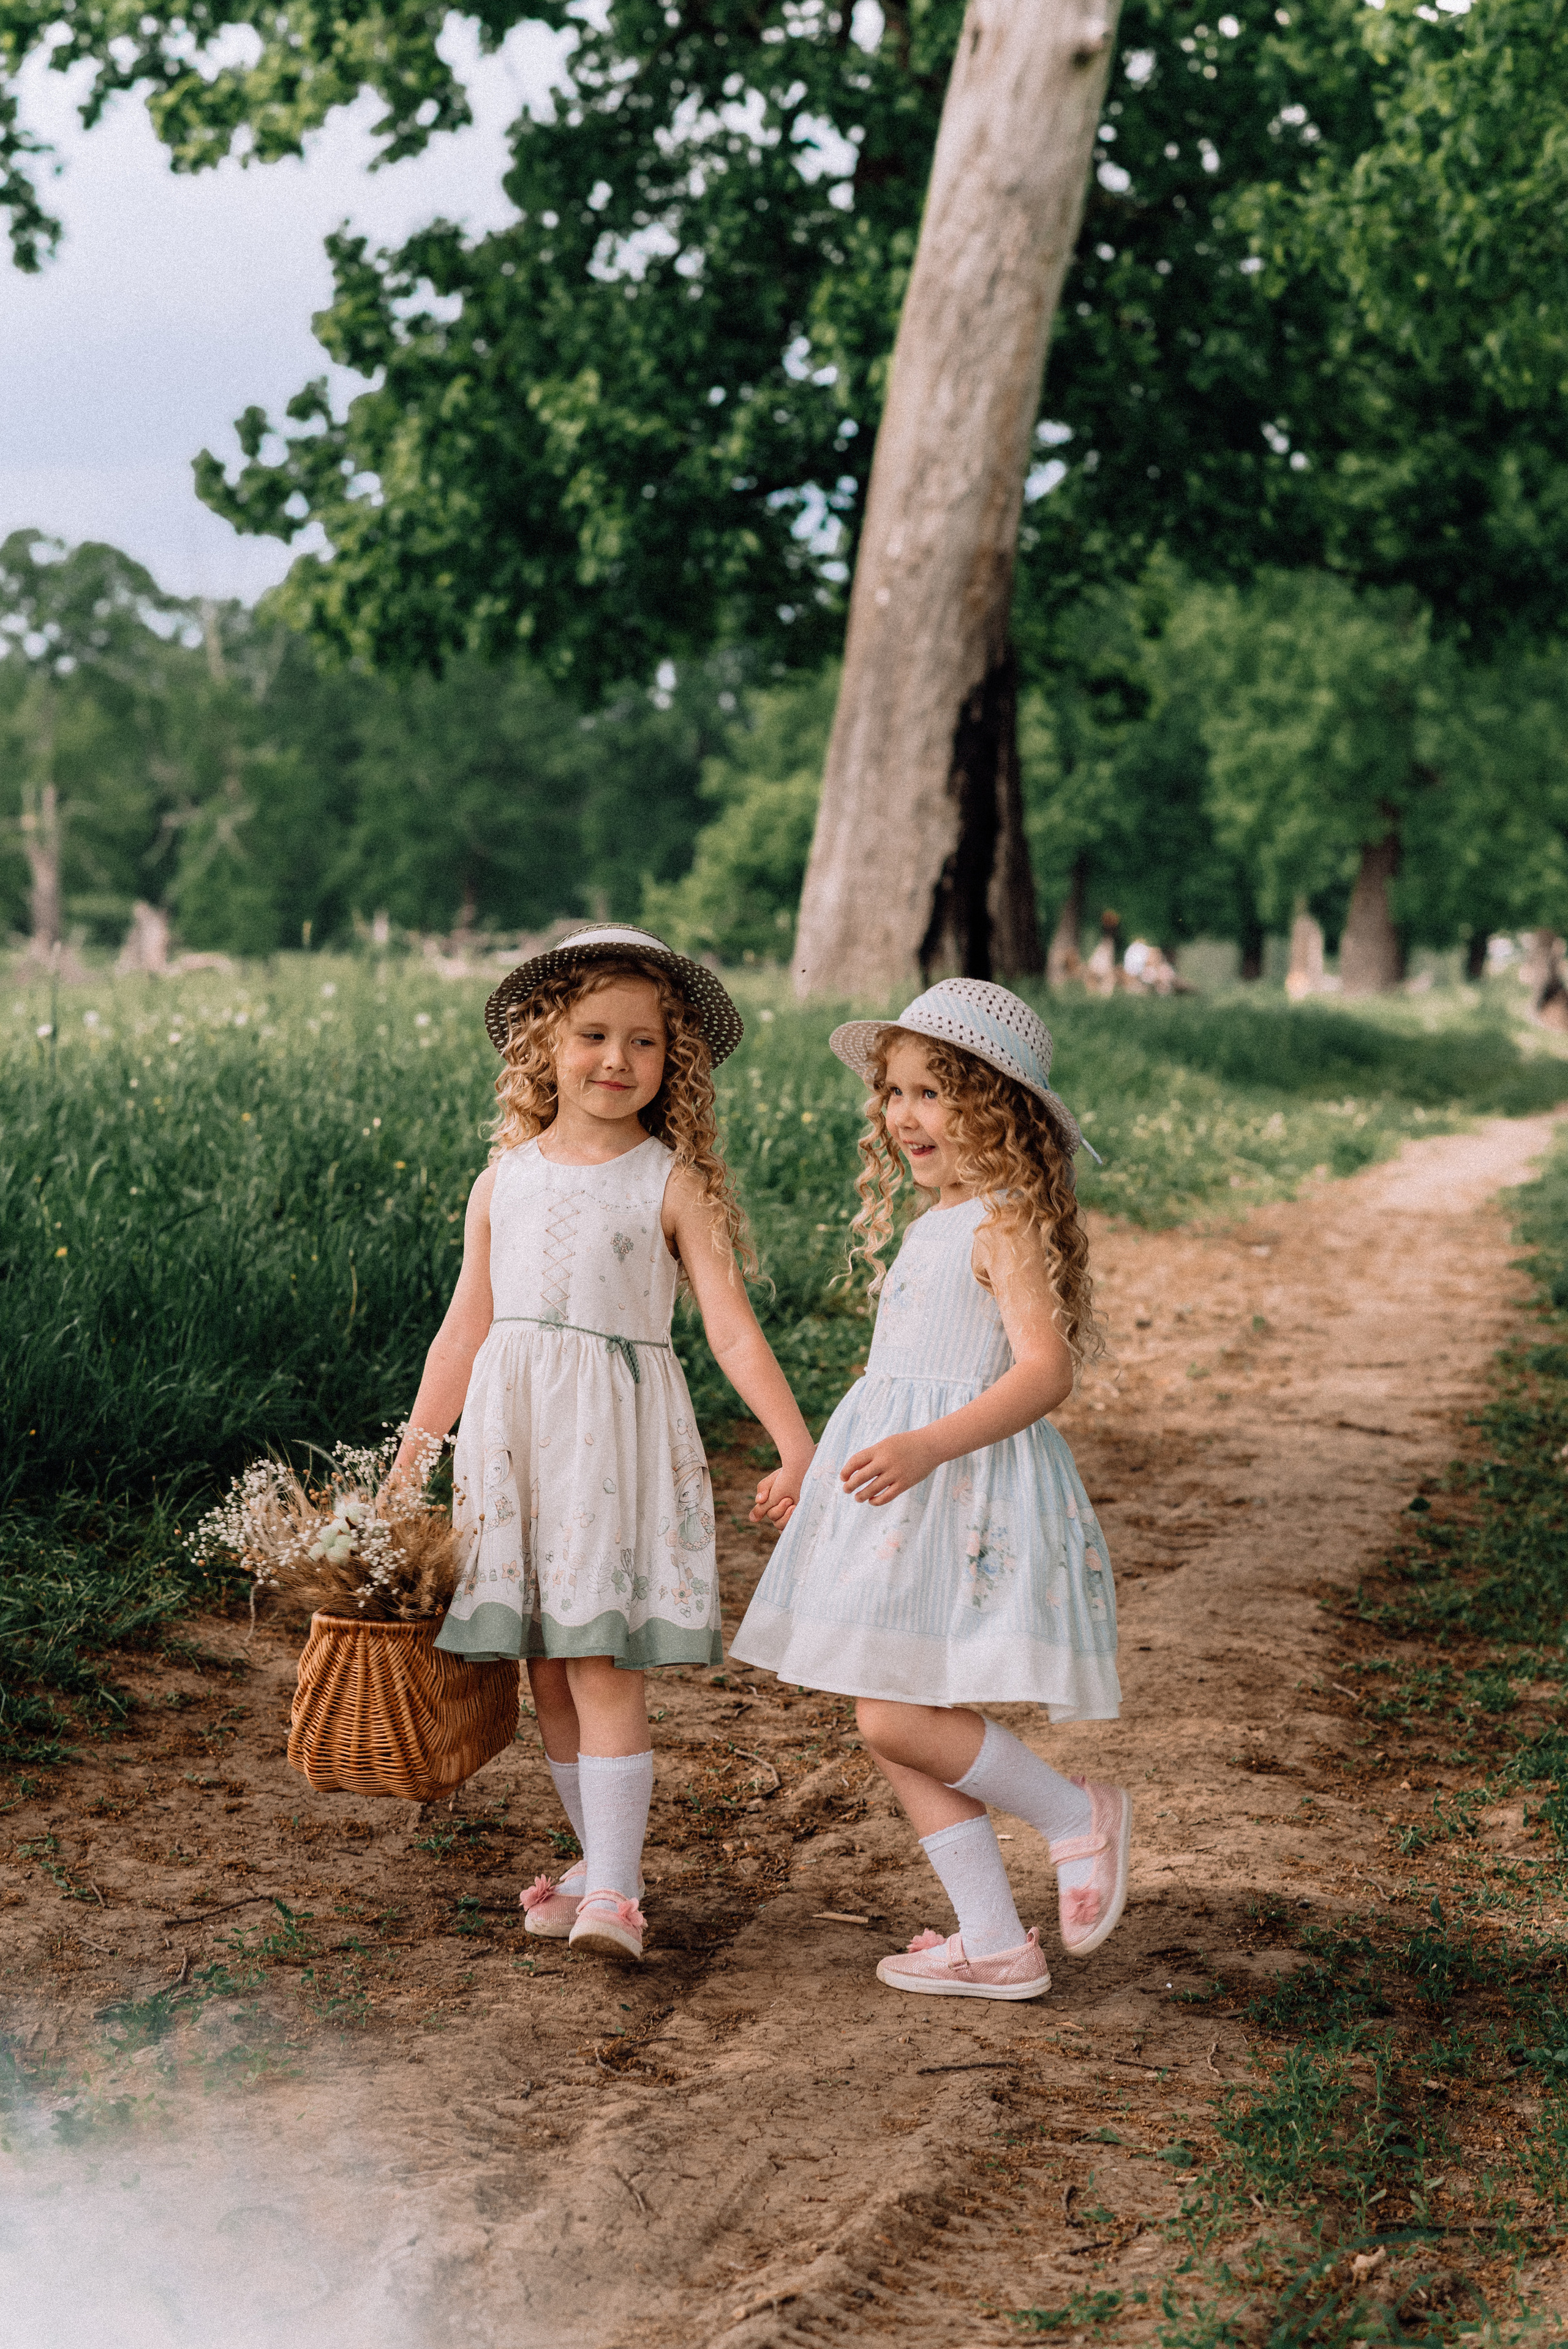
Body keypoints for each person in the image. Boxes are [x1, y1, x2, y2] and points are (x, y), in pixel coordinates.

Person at [390, 925, 814, 1964]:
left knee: (599, 1657)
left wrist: (796, 1443)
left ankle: (617, 1890)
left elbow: (729, 1327)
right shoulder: (504, 1181)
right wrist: (411, 1458)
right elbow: (463, 1329)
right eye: (593, 1035)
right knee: (545, 1667)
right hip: (516, 1442)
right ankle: (596, 1862)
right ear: (545, 1043)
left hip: (607, 1447)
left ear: (675, 1066)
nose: (618, 1061)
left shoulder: (669, 1183)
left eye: (646, 1044)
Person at [731, 979, 1129, 2002]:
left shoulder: (1003, 1224)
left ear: (999, 1110)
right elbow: (892, 1382)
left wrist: (924, 1450)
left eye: (934, 1093)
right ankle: (994, 1939)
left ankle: (1072, 1814)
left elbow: (1045, 1373)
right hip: (898, 1495)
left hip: (957, 1492)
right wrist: (821, 1473)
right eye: (895, 1092)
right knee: (893, 1703)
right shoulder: (934, 1224)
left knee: (892, 1716)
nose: (905, 1115)